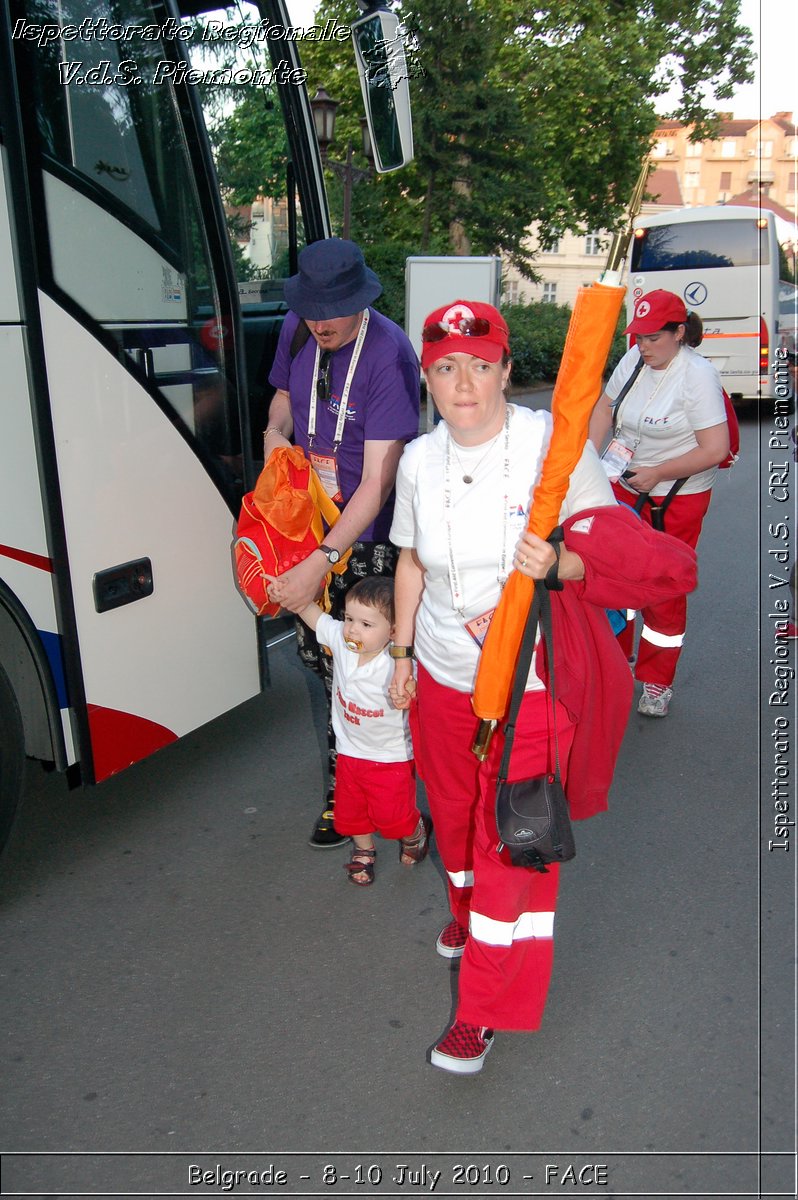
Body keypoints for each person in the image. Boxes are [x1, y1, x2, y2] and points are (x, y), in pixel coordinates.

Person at [388, 300, 697, 1074]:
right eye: (447, 367)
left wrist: (564, 565)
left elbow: (623, 550)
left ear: (503, 370)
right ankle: (463, 910)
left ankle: (484, 1010)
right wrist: (400, 654)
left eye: (481, 365)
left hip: (530, 685)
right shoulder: (419, 460)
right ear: (428, 375)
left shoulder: (548, 450)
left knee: (513, 846)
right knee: (456, 822)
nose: (465, 383)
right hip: (443, 679)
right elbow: (412, 563)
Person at [264, 239, 420, 847]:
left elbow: (380, 482)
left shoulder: (390, 354)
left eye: (335, 310)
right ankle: (350, 788)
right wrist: (276, 432)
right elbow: (283, 396)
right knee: (325, 661)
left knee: (369, 667)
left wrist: (323, 560)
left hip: (370, 536)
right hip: (310, 518)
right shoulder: (297, 328)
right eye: (312, 310)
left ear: (362, 300)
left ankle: (386, 793)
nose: (321, 323)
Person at [588, 289, 730, 717]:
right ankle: (612, 664)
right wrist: (590, 463)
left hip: (678, 492)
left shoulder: (697, 376)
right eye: (638, 336)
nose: (643, 346)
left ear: (678, 332)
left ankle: (656, 681)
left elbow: (715, 448)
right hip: (627, 478)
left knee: (662, 585)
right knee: (611, 574)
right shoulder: (634, 360)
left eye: (653, 337)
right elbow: (604, 408)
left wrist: (658, 473)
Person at [295, 577, 430, 885]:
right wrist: (291, 594)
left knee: (393, 818)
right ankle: (363, 851)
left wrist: (408, 694)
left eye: (367, 624)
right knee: (351, 811)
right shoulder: (342, 644)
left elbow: (417, 694)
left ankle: (414, 831)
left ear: (395, 632)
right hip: (349, 749)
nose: (353, 629)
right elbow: (314, 616)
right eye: (349, 619)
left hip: (392, 755)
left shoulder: (400, 664)